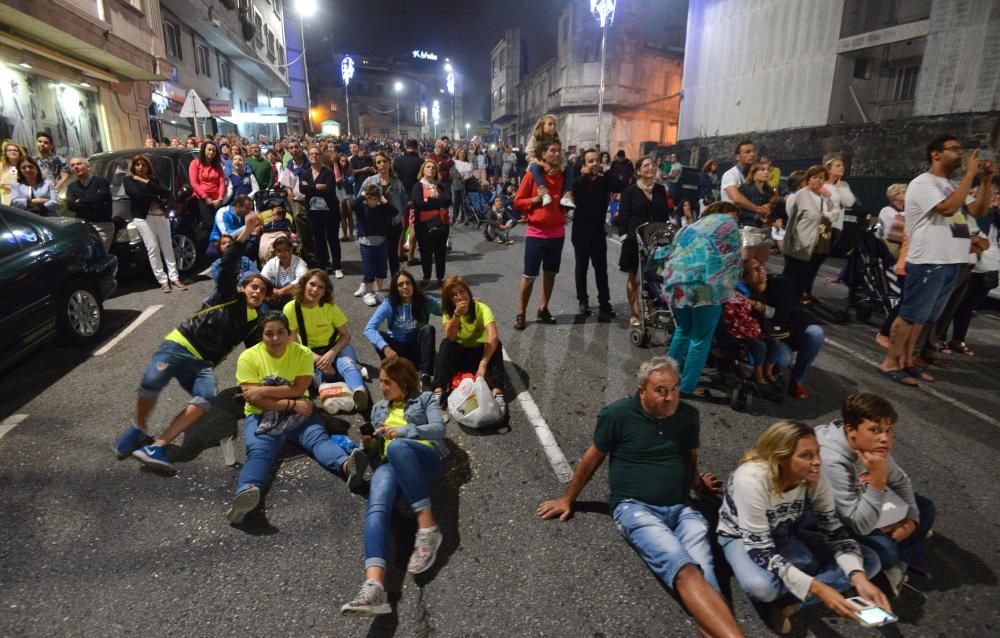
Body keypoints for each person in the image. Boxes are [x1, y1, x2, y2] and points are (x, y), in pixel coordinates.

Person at [537, 357, 743, 638]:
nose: (670, 397)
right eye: (660, 390)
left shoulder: (688, 415)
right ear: (641, 391)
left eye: (674, 389)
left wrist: (697, 483)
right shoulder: (616, 415)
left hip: (683, 508)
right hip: (635, 508)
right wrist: (567, 498)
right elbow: (593, 457)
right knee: (684, 569)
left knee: (705, 571)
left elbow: (690, 455)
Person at [113, 218, 267, 472]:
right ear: (243, 287)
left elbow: (254, 353)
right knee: (151, 383)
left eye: (262, 291)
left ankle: (157, 446)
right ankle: (139, 429)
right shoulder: (227, 296)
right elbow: (229, 263)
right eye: (253, 287)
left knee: (206, 397)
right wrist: (247, 232)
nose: (257, 292)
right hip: (181, 344)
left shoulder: (255, 321)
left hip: (202, 363)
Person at [717, 421, 887, 635]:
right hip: (741, 537)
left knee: (869, 561)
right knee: (763, 587)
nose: (817, 462)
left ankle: (790, 603)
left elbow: (834, 530)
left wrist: (858, 578)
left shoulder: (815, 478)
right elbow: (760, 548)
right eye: (806, 455)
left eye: (817, 452)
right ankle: (796, 587)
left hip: (785, 533)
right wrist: (819, 588)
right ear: (780, 458)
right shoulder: (750, 479)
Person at [226, 311, 367, 524]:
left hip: (299, 411)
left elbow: (298, 387)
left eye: (280, 332)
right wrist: (290, 402)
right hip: (267, 413)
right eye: (269, 334)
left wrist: (263, 390)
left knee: (318, 440)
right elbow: (254, 400)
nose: (275, 339)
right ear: (261, 336)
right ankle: (246, 492)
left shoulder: (301, 352)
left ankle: (347, 466)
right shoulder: (249, 357)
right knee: (259, 452)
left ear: (288, 333)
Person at [878, 136, 994, 386]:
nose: (960, 154)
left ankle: (908, 361)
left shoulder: (952, 184)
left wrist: (985, 180)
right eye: (954, 149)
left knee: (924, 318)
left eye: (960, 150)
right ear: (935, 154)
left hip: (952, 260)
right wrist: (969, 175)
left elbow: (979, 211)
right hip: (928, 259)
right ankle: (890, 362)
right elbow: (948, 209)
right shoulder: (923, 183)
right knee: (910, 315)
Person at [340, 357, 448, 617]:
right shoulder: (378, 409)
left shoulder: (424, 400)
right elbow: (379, 450)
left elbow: (438, 429)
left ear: (404, 381)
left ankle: (428, 525)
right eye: (381, 382)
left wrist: (402, 432)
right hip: (391, 463)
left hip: (423, 457)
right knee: (377, 505)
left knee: (399, 446)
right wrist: (369, 445)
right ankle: (373, 586)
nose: (382, 387)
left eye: (387, 382)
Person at [815, 393, 935, 593]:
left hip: (864, 499)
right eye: (875, 430)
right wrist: (878, 479)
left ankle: (900, 559)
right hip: (831, 517)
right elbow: (857, 523)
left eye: (890, 431)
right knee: (886, 552)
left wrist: (911, 520)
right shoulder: (831, 460)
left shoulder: (871, 445)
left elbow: (901, 481)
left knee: (925, 507)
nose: (885, 439)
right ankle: (900, 562)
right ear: (851, 430)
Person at [663, 201, 742, 398]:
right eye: (735, 215)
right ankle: (687, 388)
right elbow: (735, 258)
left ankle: (664, 379)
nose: (736, 220)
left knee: (682, 331)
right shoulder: (728, 226)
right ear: (724, 213)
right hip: (706, 285)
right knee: (700, 339)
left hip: (678, 280)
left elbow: (672, 250)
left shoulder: (690, 226)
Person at [283, 268, 369, 413]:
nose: (315, 290)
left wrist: (332, 353)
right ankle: (354, 374)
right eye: (312, 284)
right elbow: (292, 342)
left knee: (346, 364)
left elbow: (345, 335)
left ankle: (360, 394)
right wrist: (317, 360)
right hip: (308, 352)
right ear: (304, 284)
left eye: (320, 287)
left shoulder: (330, 308)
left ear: (324, 292)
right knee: (320, 377)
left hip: (335, 347)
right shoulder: (290, 308)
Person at [738, 259, 826, 399]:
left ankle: (797, 381)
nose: (761, 271)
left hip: (793, 330)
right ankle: (769, 372)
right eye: (754, 270)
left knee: (816, 333)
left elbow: (783, 315)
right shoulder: (742, 294)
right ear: (744, 279)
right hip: (771, 338)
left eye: (760, 266)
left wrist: (756, 305)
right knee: (782, 360)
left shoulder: (781, 283)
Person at [512, 140, 568, 330]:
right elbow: (517, 202)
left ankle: (543, 309)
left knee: (550, 273)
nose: (556, 154)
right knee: (529, 275)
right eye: (552, 150)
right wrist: (535, 200)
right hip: (536, 233)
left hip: (557, 234)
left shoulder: (563, 177)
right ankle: (521, 312)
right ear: (543, 155)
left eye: (558, 151)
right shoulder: (532, 175)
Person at [432, 276, 506, 411]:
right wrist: (457, 315)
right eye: (454, 295)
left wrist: (483, 364)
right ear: (450, 300)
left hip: (479, 354)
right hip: (460, 355)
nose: (459, 297)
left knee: (496, 344)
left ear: (468, 292)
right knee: (446, 344)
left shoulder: (481, 308)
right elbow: (450, 337)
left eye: (462, 292)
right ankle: (439, 391)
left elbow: (493, 336)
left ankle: (497, 392)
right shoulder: (449, 313)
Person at [617, 155, 671, 326]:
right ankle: (634, 312)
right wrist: (624, 236)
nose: (651, 168)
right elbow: (624, 217)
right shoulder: (629, 191)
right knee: (634, 277)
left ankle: (648, 310)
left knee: (653, 276)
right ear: (638, 171)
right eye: (646, 165)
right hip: (634, 239)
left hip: (656, 240)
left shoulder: (661, 190)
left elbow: (664, 215)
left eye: (653, 165)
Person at [572, 148, 625, 321]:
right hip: (580, 232)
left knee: (601, 270)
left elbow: (620, 185)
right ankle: (583, 301)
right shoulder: (578, 182)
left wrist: (604, 172)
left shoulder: (604, 182)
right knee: (582, 269)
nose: (595, 163)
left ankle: (604, 303)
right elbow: (572, 187)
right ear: (584, 165)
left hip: (598, 233)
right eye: (591, 161)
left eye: (597, 160)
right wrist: (583, 175)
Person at [364, 270, 441, 387]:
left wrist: (467, 303)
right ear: (396, 288)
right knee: (378, 335)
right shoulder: (389, 303)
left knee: (428, 329)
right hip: (396, 352)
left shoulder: (423, 300)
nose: (405, 287)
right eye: (400, 285)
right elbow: (369, 328)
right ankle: (397, 372)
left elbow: (445, 308)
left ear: (413, 285)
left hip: (417, 350)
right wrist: (386, 348)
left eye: (408, 283)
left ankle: (425, 377)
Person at [948, 183, 999, 354]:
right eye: (987, 195)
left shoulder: (992, 216)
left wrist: (977, 241)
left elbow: (983, 242)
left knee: (968, 307)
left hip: (988, 268)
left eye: (994, 195)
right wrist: (976, 241)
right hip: (965, 266)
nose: (992, 198)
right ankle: (935, 341)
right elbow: (962, 239)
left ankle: (957, 339)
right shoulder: (959, 212)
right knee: (949, 305)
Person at [123, 154, 185, 292]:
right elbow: (136, 194)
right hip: (143, 218)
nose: (140, 167)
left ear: (148, 166)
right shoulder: (129, 180)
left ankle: (174, 277)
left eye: (143, 165)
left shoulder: (152, 179)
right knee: (153, 248)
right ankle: (163, 280)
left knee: (167, 247)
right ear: (133, 167)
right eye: (137, 165)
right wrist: (156, 197)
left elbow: (166, 192)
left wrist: (146, 182)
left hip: (160, 215)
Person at [782, 165, 832, 303]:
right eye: (815, 177)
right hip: (798, 246)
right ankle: (782, 314)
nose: (818, 181)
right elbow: (791, 222)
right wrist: (790, 246)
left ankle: (795, 310)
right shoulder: (799, 196)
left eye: (822, 178)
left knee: (802, 282)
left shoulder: (822, 198)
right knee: (791, 282)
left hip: (814, 245)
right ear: (808, 179)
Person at [361, 150, 407, 279]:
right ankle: (375, 286)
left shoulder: (397, 183)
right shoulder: (369, 181)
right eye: (378, 162)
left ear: (389, 163)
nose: (382, 164)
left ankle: (395, 282)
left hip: (393, 225)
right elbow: (359, 200)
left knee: (393, 256)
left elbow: (403, 203)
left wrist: (397, 217)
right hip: (376, 226)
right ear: (375, 165)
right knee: (376, 256)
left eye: (384, 161)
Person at [300, 146, 342, 277]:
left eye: (316, 154)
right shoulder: (305, 173)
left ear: (320, 156)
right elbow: (302, 189)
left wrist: (310, 188)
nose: (314, 156)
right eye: (311, 154)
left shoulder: (328, 173)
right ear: (309, 156)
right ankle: (322, 264)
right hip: (313, 213)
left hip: (330, 212)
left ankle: (337, 266)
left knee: (332, 239)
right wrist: (317, 187)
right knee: (318, 239)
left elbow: (329, 191)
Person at [352, 184, 396, 306]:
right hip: (366, 244)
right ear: (366, 198)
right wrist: (362, 195)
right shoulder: (361, 207)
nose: (372, 201)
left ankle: (377, 291)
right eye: (369, 198)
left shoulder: (381, 208)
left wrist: (383, 200)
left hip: (381, 242)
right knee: (369, 268)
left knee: (381, 268)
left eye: (375, 198)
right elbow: (352, 205)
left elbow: (394, 211)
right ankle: (368, 292)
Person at [411, 160, 452, 288]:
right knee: (426, 253)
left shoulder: (440, 186)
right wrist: (436, 202)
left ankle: (440, 277)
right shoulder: (418, 186)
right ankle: (426, 276)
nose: (431, 169)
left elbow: (447, 201)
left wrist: (429, 200)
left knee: (440, 252)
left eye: (433, 168)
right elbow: (418, 204)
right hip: (424, 225)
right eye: (428, 167)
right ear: (423, 170)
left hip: (442, 223)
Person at [525, 114, 575, 209]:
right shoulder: (535, 138)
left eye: (554, 125)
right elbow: (530, 156)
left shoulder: (557, 139)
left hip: (554, 165)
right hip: (538, 164)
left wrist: (558, 167)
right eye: (550, 124)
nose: (553, 127)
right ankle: (544, 193)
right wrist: (543, 165)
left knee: (570, 169)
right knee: (535, 167)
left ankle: (566, 195)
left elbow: (562, 158)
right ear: (543, 125)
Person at [66, 157, 113, 251]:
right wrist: (92, 201)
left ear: (88, 167)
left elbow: (102, 198)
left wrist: (81, 201)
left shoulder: (101, 181)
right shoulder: (72, 186)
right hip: (83, 227)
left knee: (100, 255)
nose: (76, 167)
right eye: (72, 165)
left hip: (102, 225)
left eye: (79, 164)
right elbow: (71, 206)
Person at [737, 162, 777, 263]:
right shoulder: (745, 188)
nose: (766, 172)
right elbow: (739, 211)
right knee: (747, 263)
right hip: (749, 230)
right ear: (754, 173)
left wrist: (770, 215)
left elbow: (774, 212)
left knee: (761, 262)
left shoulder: (770, 191)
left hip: (765, 230)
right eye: (762, 169)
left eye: (768, 170)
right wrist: (757, 216)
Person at [822, 157, 857, 255]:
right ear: (828, 169)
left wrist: (839, 188)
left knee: (825, 254)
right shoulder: (821, 184)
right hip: (822, 225)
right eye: (838, 166)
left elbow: (849, 202)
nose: (842, 168)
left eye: (842, 166)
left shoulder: (843, 185)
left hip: (836, 227)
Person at [260, 235, 307, 306]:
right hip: (274, 297)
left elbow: (302, 280)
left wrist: (281, 292)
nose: (282, 254)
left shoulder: (300, 263)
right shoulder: (272, 262)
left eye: (286, 250)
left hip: (294, 298)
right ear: (275, 252)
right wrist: (273, 291)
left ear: (291, 250)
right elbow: (262, 279)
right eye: (278, 251)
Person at [876, 184, 907, 259]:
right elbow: (898, 228)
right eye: (903, 192)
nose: (907, 194)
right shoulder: (886, 210)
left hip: (904, 246)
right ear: (894, 196)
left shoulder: (906, 211)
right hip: (891, 246)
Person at [334, 153, 356, 242]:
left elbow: (352, 180)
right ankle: (345, 235)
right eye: (342, 161)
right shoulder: (336, 170)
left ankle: (351, 234)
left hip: (349, 193)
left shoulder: (349, 169)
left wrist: (344, 179)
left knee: (349, 214)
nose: (344, 163)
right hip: (340, 193)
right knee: (342, 215)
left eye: (345, 161)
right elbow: (335, 180)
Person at [1, 140, 26, 206]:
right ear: (6, 153)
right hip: (5, 197)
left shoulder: (25, 166)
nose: (13, 152)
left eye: (15, 150)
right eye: (10, 150)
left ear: (20, 153)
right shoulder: (1, 165)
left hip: (22, 197)